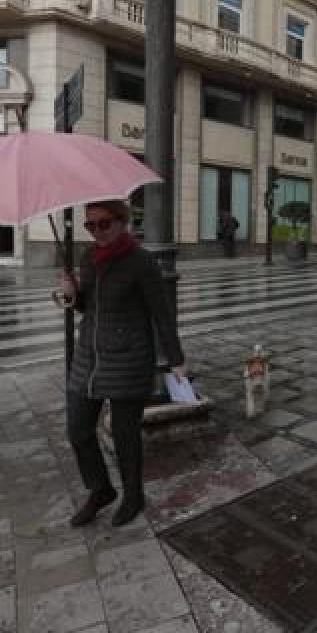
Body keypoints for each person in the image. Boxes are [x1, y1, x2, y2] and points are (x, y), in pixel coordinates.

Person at [58, 200, 187, 528]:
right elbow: (87, 306)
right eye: (91, 225)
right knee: (78, 429)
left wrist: (176, 359)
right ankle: (101, 490)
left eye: (104, 223)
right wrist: (70, 294)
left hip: (129, 358)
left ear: (123, 222)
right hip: (89, 357)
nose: (97, 231)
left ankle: (133, 495)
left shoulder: (141, 262)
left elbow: (161, 313)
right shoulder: (88, 258)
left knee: (124, 433)